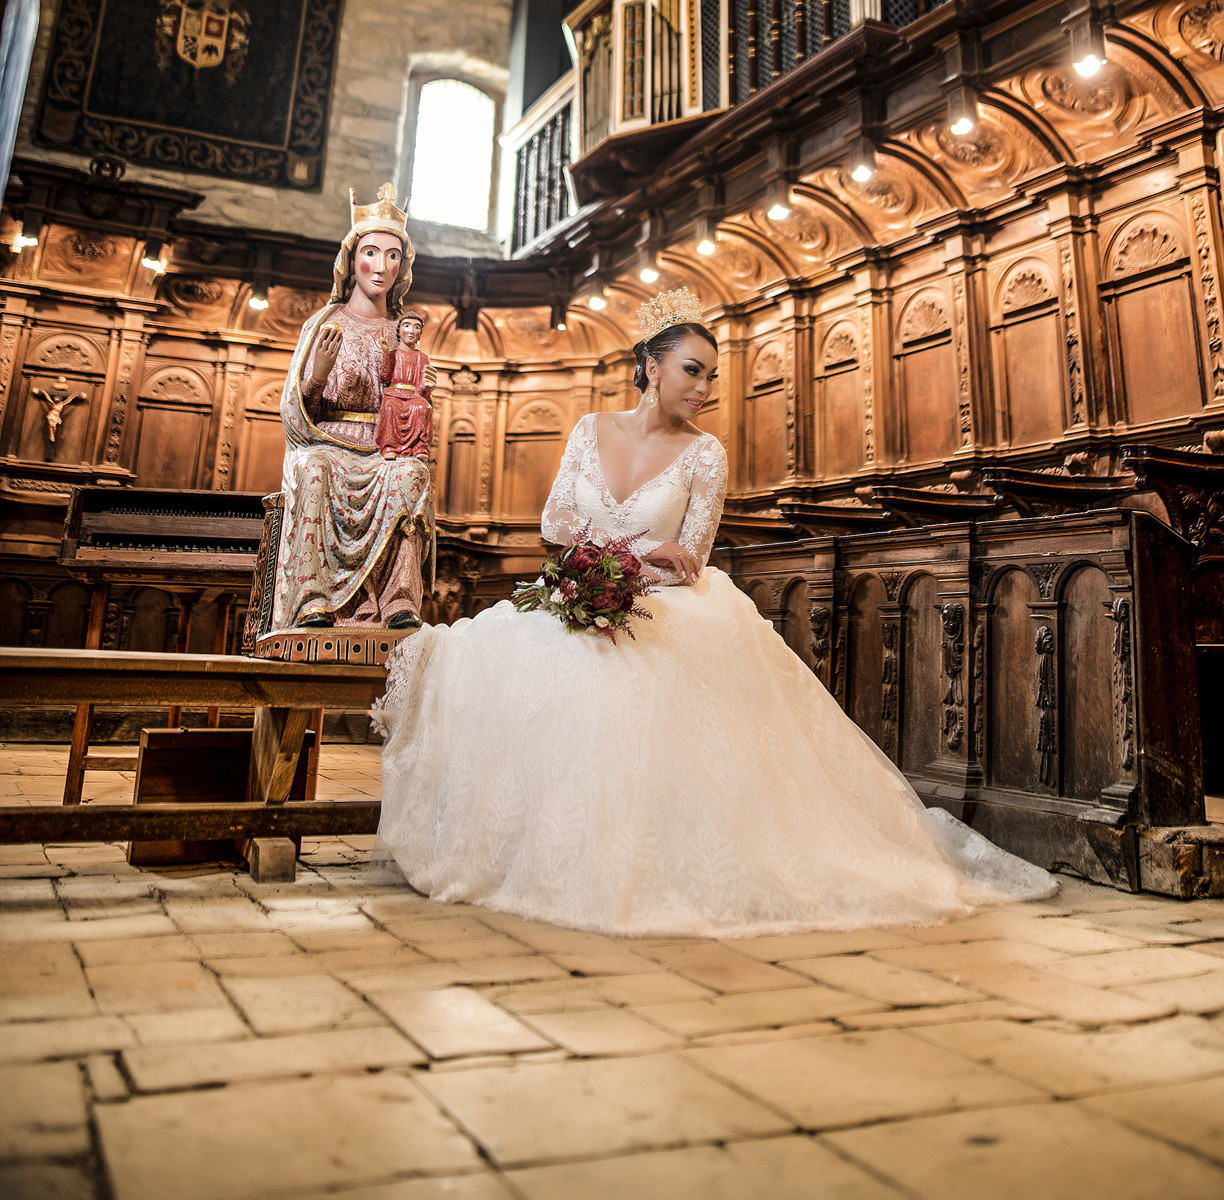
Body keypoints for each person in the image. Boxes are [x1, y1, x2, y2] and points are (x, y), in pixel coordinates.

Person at [374, 286, 1055, 935]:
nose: (703, 390)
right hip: (578, 588)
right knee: (494, 663)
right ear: (649, 366)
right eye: (691, 372)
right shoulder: (587, 428)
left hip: (667, 607)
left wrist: (626, 563)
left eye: (710, 378)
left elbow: (690, 558)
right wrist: (623, 556)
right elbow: (554, 520)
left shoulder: (705, 453)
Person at [271, 185, 434, 633]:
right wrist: (318, 374)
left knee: (411, 475)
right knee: (315, 469)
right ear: (352, 259)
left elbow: (409, 401)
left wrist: (421, 394)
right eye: (371, 253)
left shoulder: (401, 332)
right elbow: (295, 414)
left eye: (393, 256)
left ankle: (398, 603)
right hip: (328, 441)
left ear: (403, 265)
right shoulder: (324, 323)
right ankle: (312, 600)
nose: (381, 267)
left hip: (385, 446)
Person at [376, 314, 433, 462]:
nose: (411, 331)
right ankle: (389, 447)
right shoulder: (393, 353)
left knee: (422, 407)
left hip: (413, 395)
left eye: (416, 327)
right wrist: (385, 353)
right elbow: (384, 377)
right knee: (390, 407)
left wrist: (426, 388)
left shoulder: (423, 358)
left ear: (420, 333)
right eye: (406, 325)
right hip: (394, 393)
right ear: (399, 330)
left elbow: (422, 387)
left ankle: (419, 447)